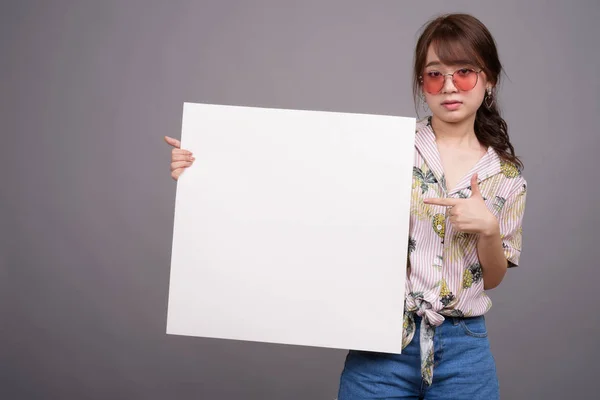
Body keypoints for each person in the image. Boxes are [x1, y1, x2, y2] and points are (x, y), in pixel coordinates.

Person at [164, 12, 527, 400]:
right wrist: (205, 168)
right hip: (382, 344)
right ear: (422, 85)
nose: (450, 86)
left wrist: (488, 228)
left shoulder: (506, 176)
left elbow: (490, 278)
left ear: (487, 79)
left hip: (464, 349)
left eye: (465, 72)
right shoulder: (381, 149)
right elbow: (290, 185)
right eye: (435, 74)